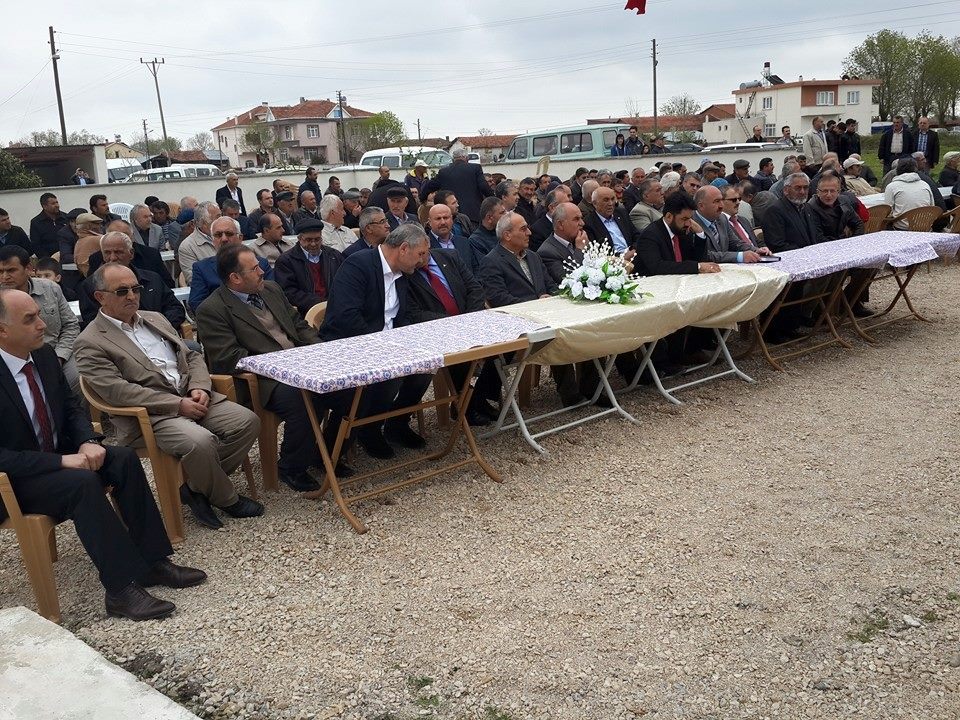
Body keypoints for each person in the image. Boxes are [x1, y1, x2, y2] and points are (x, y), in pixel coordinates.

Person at [0, 287, 207, 620]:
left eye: (39, 315)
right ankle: (120, 590)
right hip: (14, 481)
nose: (42, 324)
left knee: (122, 458)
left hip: (58, 458)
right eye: (30, 319)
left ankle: (152, 561)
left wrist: (87, 441)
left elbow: (71, 408)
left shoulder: (43, 355)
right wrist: (61, 461)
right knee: (82, 484)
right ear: (2, 330)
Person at [75, 263, 263, 530]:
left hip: (191, 394)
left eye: (136, 288)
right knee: (201, 442)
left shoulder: (154, 318)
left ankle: (194, 488)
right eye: (122, 291)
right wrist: (177, 404)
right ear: (100, 297)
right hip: (151, 415)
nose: (132, 296)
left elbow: (191, 355)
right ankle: (227, 499)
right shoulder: (90, 341)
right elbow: (117, 391)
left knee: (247, 422)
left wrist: (200, 387)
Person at [196, 244, 353, 492]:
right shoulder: (212, 310)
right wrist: (281, 363)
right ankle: (291, 466)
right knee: (303, 397)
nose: (262, 271)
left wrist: (321, 351)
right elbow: (229, 358)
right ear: (235, 278)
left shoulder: (271, 289)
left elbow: (298, 325)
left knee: (350, 387)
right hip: (262, 380)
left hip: (301, 364)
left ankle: (327, 451)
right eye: (254, 268)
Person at [319, 224, 434, 459]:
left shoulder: (403, 274)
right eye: (420, 254)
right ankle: (357, 436)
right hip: (351, 345)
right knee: (390, 374)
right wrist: (383, 347)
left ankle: (395, 423)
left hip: (388, 344)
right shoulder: (358, 265)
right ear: (403, 248)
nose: (423, 261)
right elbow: (346, 317)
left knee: (426, 367)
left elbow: (405, 315)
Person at [0, 244, 80, 393]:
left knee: (77, 376)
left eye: (11, 270)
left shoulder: (51, 288)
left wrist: (59, 356)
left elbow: (71, 325)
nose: (4, 277)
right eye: (0, 271)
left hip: (58, 351)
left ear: (28, 269)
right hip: (15, 358)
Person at [78, 232, 186, 332]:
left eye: (118, 252)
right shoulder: (91, 286)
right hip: (119, 340)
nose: (113, 258)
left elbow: (175, 308)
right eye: (107, 253)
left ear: (131, 253)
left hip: (159, 334)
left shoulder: (152, 279)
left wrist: (158, 328)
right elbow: (94, 322)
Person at [189, 217, 272, 311]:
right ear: (213, 240)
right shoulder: (201, 268)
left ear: (240, 238)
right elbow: (198, 304)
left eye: (229, 234)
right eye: (218, 235)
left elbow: (272, 295)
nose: (224, 239)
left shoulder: (261, 264)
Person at [633, 192, 719, 277]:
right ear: (669, 216)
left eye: (689, 219)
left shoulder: (683, 230)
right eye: (684, 219)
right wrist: (698, 267)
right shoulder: (650, 235)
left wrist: (700, 233)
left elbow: (697, 260)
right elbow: (657, 267)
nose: (688, 224)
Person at [274, 218, 345, 317]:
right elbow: (289, 292)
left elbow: (345, 281)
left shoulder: (333, 255)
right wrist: (320, 303)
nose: (313, 244)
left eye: (317, 239)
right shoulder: (286, 261)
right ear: (299, 239)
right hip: (305, 312)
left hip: (337, 307)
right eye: (308, 240)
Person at [87, 221, 175, 289]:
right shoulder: (96, 258)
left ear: (132, 236)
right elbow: (89, 288)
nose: (112, 257)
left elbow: (167, 284)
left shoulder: (150, 254)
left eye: (124, 235)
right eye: (114, 235)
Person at [693, 186, 763, 264]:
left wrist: (755, 250)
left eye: (721, 200)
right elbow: (704, 255)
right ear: (701, 206)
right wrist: (739, 256)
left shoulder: (722, 218)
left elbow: (735, 243)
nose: (721, 206)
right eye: (716, 201)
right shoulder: (691, 224)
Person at [423, 148, 493, 223]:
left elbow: (429, 186)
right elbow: (483, 187)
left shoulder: (444, 172)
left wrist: (422, 199)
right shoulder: (475, 168)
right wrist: (494, 198)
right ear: (466, 158)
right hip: (473, 213)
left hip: (451, 216)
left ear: (453, 159)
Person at [762, 174, 823, 253]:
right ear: (786, 190)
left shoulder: (807, 207)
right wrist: (804, 252)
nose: (802, 192)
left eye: (805, 187)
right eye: (798, 188)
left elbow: (815, 235)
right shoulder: (774, 211)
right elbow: (776, 245)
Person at [583, 186, 640, 258]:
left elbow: (636, 235)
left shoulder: (621, 213)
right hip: (613, 261)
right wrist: (622, 257)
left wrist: (633, 250)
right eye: (606, 200)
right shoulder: (589, 223)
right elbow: (598, 252)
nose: (610, 203)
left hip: (634, 254)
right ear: (595, 203)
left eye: (613, 199)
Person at [884, 158, 935, 230]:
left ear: (897, 169)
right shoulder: (925, 184)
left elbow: (888, 211)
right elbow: (932, 206)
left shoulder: (892, 186)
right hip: (925, 227)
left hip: (902, 228)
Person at [177, 201, 220, 284]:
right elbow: (195, 281)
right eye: (218, 217)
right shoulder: (187, 247)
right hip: (213, 290)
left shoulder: (228, 236)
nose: (222, 220)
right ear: (204, 223)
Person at [720, 185, 765, 250]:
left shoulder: (743, 220)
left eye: (739, 199)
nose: (738, 202)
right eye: (734, 200)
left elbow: (756, 241)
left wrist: (764, 249)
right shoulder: (719, 224)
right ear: (721, 202)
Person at [467, 197, 506, 271]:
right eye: (502, 213)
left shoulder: (504, 232)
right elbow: (487, 268)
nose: (506, 215)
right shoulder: (475, 241)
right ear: (489, 218)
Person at [29, 193, 69, 258]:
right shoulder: (36, 222)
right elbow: (36, 245)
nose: (57, 205)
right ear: (44, 206)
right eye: (53, 203)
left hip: (68, 256)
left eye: (57, 202)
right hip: (48, 259)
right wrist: (48, 259)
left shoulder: (66, 218)